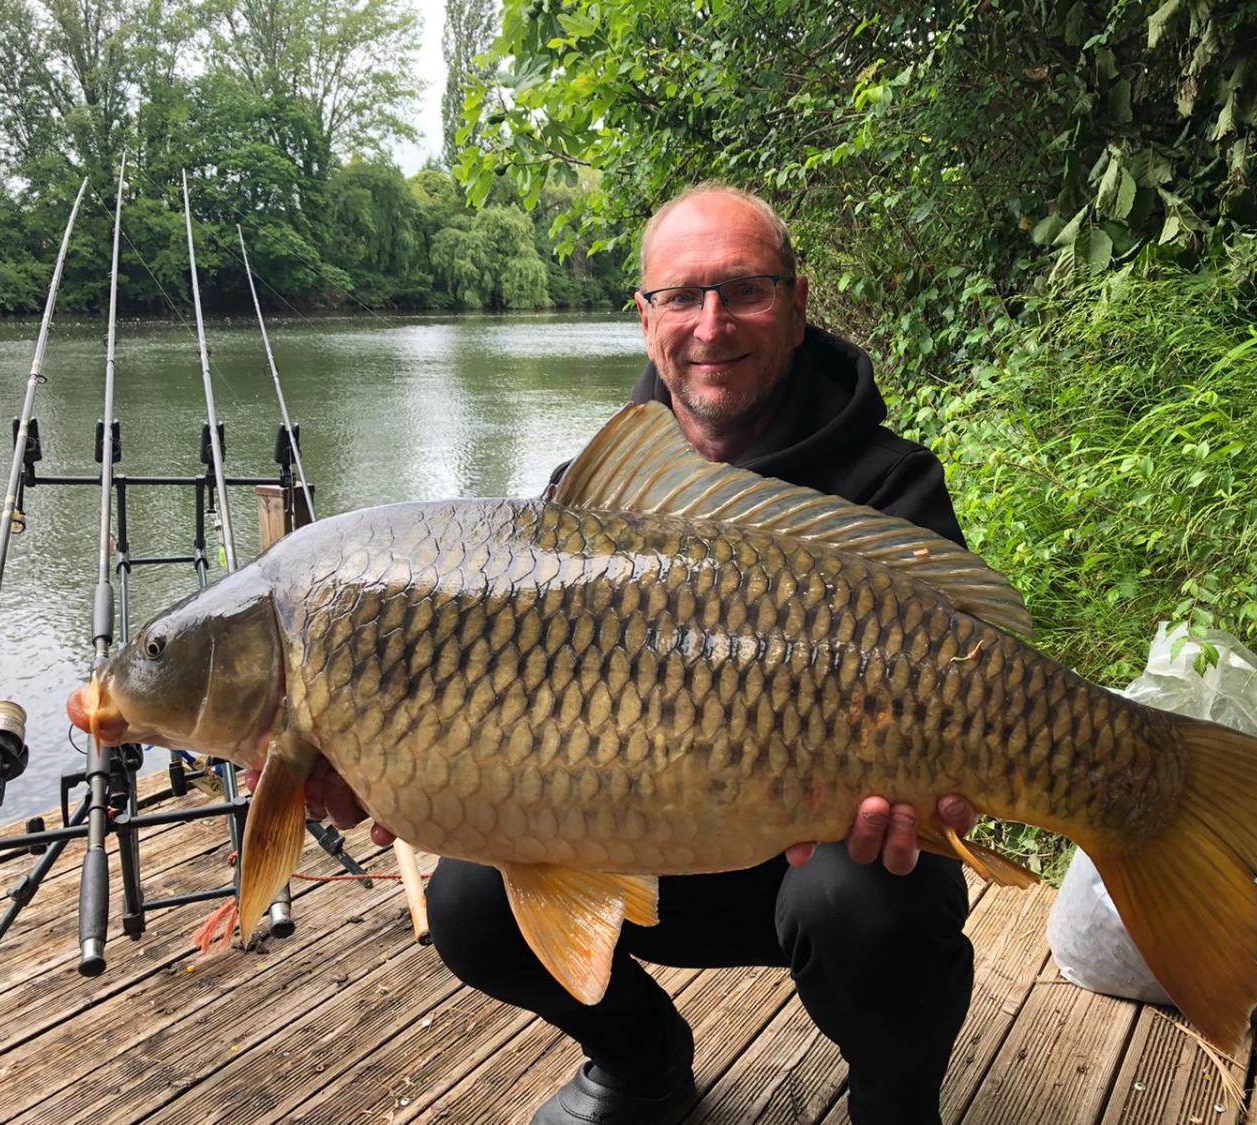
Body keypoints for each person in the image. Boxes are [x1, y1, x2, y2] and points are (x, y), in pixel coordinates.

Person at [304, 183, 980, 1124]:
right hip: (646, 848)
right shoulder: (581, 505)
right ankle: (642, 1060)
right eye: (682, 296)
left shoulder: (888, 485)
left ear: (796, 305)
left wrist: (946, 789)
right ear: (646, 317)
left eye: (745, 290)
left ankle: (894, 1105)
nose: (712, 323)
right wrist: (411, 774)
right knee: (468, 897)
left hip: (831, 857)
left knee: (861, 902)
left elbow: (975, 688)